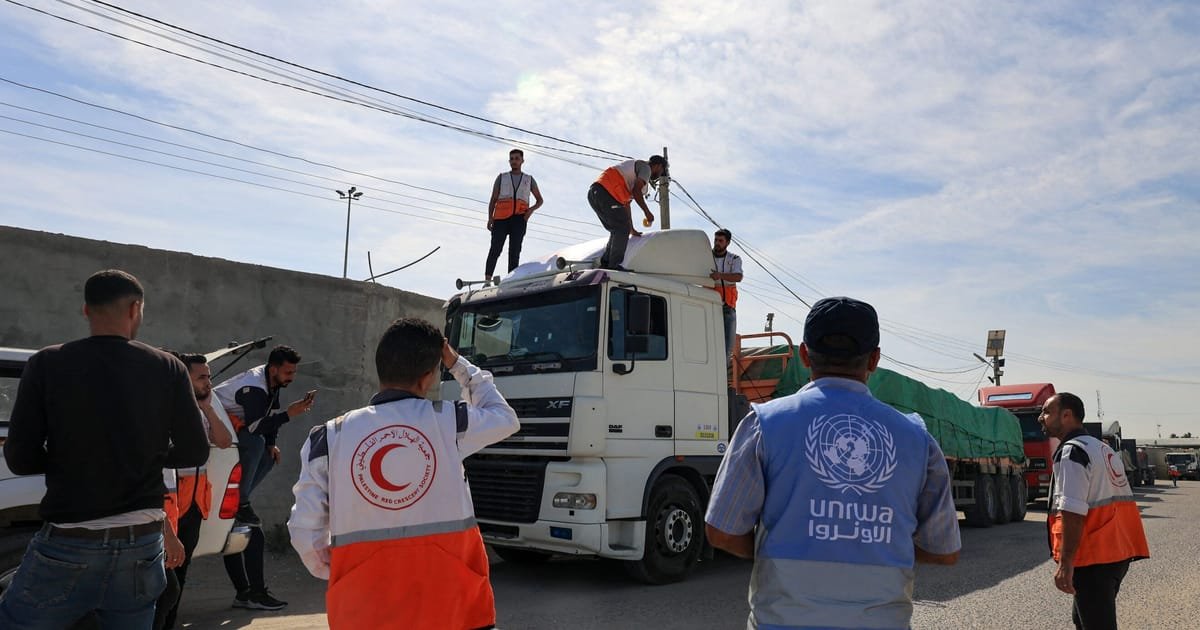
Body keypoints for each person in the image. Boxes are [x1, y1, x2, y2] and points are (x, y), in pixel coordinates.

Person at [705, 296, 961, 629]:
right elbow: (945, 551)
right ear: (874, 360)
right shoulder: (917, 439)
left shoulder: (764, 425)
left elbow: (721, 531)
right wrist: (877, 546)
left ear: (803, 355)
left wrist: (782, 549)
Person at [0, 269, 209, 629]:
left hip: (68, 543)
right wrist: (148, 458)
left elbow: (19, 458)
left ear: (86, 310)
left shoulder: (47, 363)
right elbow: (195, 451)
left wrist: (70, 462)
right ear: (135, 309)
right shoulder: (167, 368)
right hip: (142, 547)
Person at [289, 318, 519, 630]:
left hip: (363, 611)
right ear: (428, 378)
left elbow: (305, 530)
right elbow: (504, 418)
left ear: (379, 368)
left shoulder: (329, 436)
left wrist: (348, 573)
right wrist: (457, 364)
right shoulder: (450, 422)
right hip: (455, 608)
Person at [213, 345, 312, 611]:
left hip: (231, 444)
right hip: (213, 442)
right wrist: (290, 415)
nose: (291, 377)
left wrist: (272, 443)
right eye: (288, 371)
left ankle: (246, 593)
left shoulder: (272, 384)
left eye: (293, 372)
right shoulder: (254, 387)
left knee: (267, 453)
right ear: (273, 369)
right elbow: (255, 426)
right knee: (256, 443)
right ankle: (241, 502)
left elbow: (267, 419)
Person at [1041, 392, 1149, 630]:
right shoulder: (1102, 449)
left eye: (1047, 411)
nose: (1041, 418)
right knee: (1082, 620)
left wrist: (1066, 563)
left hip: (1094, 557)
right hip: (1116, 552)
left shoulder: (1072, 452)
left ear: (1067, 415)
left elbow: (1072, 510)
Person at [158, 353, 236, 629]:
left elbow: (225, 441)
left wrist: (208, 409)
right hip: (166, 506)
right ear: (183, 379)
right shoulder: (162, 411)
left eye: (209, 376)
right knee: (163, 579)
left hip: (192, 506)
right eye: (201, 377)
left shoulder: (202, 412)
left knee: (182, 570)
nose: (209, 383)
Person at [587, 155, 666, 270]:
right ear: (658, 166)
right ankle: (613, 265)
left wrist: (631, 228)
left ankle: (606, 264)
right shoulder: (646, 168)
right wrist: (647, 212)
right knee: (620, 229)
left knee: (617, 229)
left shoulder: (632, 172)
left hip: (595, 194)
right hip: (606, 193)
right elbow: (636, 191)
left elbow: (626, 205)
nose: (659, 175)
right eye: (661, 171)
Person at [485, 148, 543, 282]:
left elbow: (540, 200)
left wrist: (530, 210)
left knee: (514, 251)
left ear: (522, 161)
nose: (514, 161)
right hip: (500, 219)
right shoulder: (501, 177)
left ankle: (510, 280)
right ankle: (487, 280)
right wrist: (490, 217)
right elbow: (493, 199)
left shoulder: (529, 180)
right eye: (512, 159)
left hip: (519, 219)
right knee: (495, 249)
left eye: (517, 158)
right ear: (509, 161)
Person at [710, 228, 743, 358]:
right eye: (716, 240)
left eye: (720, 241)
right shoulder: (706, 256)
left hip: (728, 306)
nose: (717, 243)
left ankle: (724, 370)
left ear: (727, 243)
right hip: (709, 305)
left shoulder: (734, 259)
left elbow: (738, 277)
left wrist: (720, 275)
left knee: (727, 347)